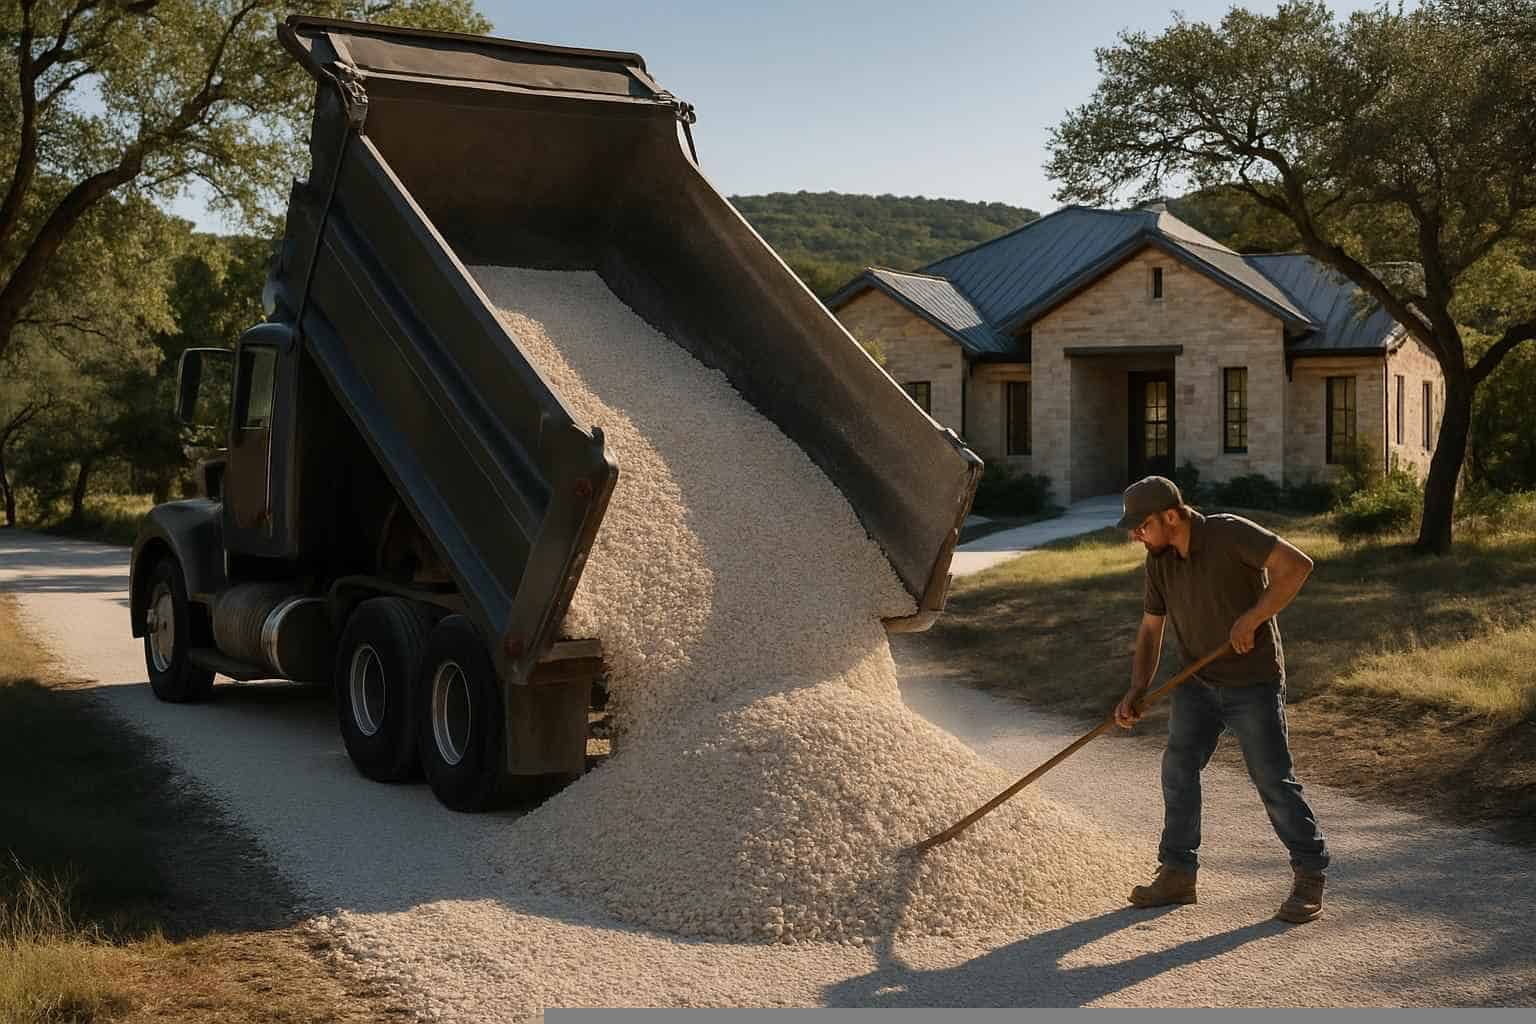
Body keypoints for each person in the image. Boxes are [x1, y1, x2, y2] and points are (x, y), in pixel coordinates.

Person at [1112, 475, 1330, 924]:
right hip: (1197, 684)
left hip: (1252, 682)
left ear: (1170, 516)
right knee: (1178, 766)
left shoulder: (1230, 533)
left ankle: (1309, 873)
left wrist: (1252, 618)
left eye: (1142, 525)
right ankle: (1177, 872)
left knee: (1272, 779)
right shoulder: (1160, 560)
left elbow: (1298, 566)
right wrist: (1138, 688)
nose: (1137, 534)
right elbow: (1152, 628)